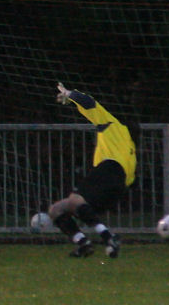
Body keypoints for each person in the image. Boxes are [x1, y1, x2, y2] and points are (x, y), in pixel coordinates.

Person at [49, 82, 136, 259]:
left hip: (110, 169)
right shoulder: (130, 150)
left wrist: (70, 94)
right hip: (119, 186)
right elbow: (128, 181)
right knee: (56, 209)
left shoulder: (114, 126)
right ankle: (83, 243)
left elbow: (90, 104)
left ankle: (109, 237)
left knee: (74, 201)